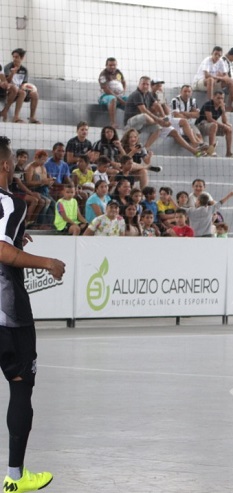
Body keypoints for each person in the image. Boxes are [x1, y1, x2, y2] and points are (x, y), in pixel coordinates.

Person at [0, 135, 65, 492]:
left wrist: (16, 241)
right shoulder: (13, 203)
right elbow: (2, 252)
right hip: (8, 311)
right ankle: (15, 479)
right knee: (20, 386)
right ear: (7, 165)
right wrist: (47, 263)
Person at [149, 80, 206, 155]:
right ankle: (196, 147)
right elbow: (174, 114)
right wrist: (190, 114)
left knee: (185, 128)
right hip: (158, 120)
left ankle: (198, 148)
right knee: (185, 126)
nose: (159, 88)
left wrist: (162, 101)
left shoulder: (161, 96)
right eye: (157, 86)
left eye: (160, 86)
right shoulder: (148, 96)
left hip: (167, 119)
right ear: (151, 86)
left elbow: (167, 112)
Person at [1, 49, 40, 124]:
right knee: (22, 93)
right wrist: (12, 73)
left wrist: (27, 87)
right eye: (13, 57)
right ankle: (16, 117)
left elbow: (24, 83)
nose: (14, 59)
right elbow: (6, 83)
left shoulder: (24, 70)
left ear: (21, 58)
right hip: (10, 90)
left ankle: (32, 118)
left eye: (16, 57)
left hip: (20, 89)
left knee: (35, 94)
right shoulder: (8, 67)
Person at [11, 150, 48, 226]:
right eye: (21, 157)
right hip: (15, 192)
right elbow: (19, 183)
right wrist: (30, 193)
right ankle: (25, 222)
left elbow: (23, 183)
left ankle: (32, 222)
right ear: (17, 157)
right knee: (34, 200)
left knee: (42, 201)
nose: (23, 159)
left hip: (21, 191)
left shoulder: (22, 168)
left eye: (25, 157)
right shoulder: (16, 168)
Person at [195, 91, 233, 158]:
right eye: (218, 98)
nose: (220, 100)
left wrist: (223, 110)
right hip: (201, 125)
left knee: (229, 129)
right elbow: (209, 119)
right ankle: (211, 151)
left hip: (211, 126)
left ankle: (229, 152)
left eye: (222, 98)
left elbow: (224, 121)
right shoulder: (208, 104)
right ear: (213, 97)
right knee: (214, 125)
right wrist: (223, 125)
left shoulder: (221, 106)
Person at [169, 85, 206, 149]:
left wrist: (183, 113)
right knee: (194, 135)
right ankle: (200, 147)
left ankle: (202, 149)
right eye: (185, 91)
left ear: (191, 93)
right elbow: (176, 115)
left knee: (199, 135)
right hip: (178, 124)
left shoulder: (193, 101)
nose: (187, 93)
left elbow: (198, 115)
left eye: (189, 91)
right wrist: (191, 114)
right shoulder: (175, 100)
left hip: (190, 123)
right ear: (181, 92)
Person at [98, 57, 127, 128]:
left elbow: (124, 82)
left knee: (130, 100)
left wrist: (123, 91)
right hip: (105, 96)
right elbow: (106, 89)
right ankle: (113, 123)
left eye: (114, 65)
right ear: (106, 65)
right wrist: (120, 99)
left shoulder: (118, 72)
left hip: (119, 96)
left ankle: (129, 123)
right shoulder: (103, 74)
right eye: (110, 65)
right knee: (113, 99)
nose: (112, 67)